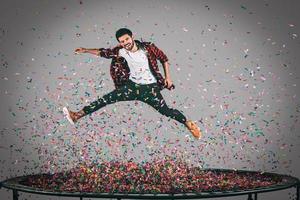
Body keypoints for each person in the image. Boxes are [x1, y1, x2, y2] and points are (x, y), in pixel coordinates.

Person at [63, 28, 202, 139]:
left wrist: (168, 78)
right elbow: (103, 52)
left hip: (150, 89)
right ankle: (77, 116)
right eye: (122, 41)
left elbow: (164, 59)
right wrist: (86, 50)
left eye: (127, 39)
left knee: (165, 111)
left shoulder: (148, 48)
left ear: (132, 37)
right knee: (105, 99)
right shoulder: (120, 51)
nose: (125, 43)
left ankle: (187, 123)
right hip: (132, 87)